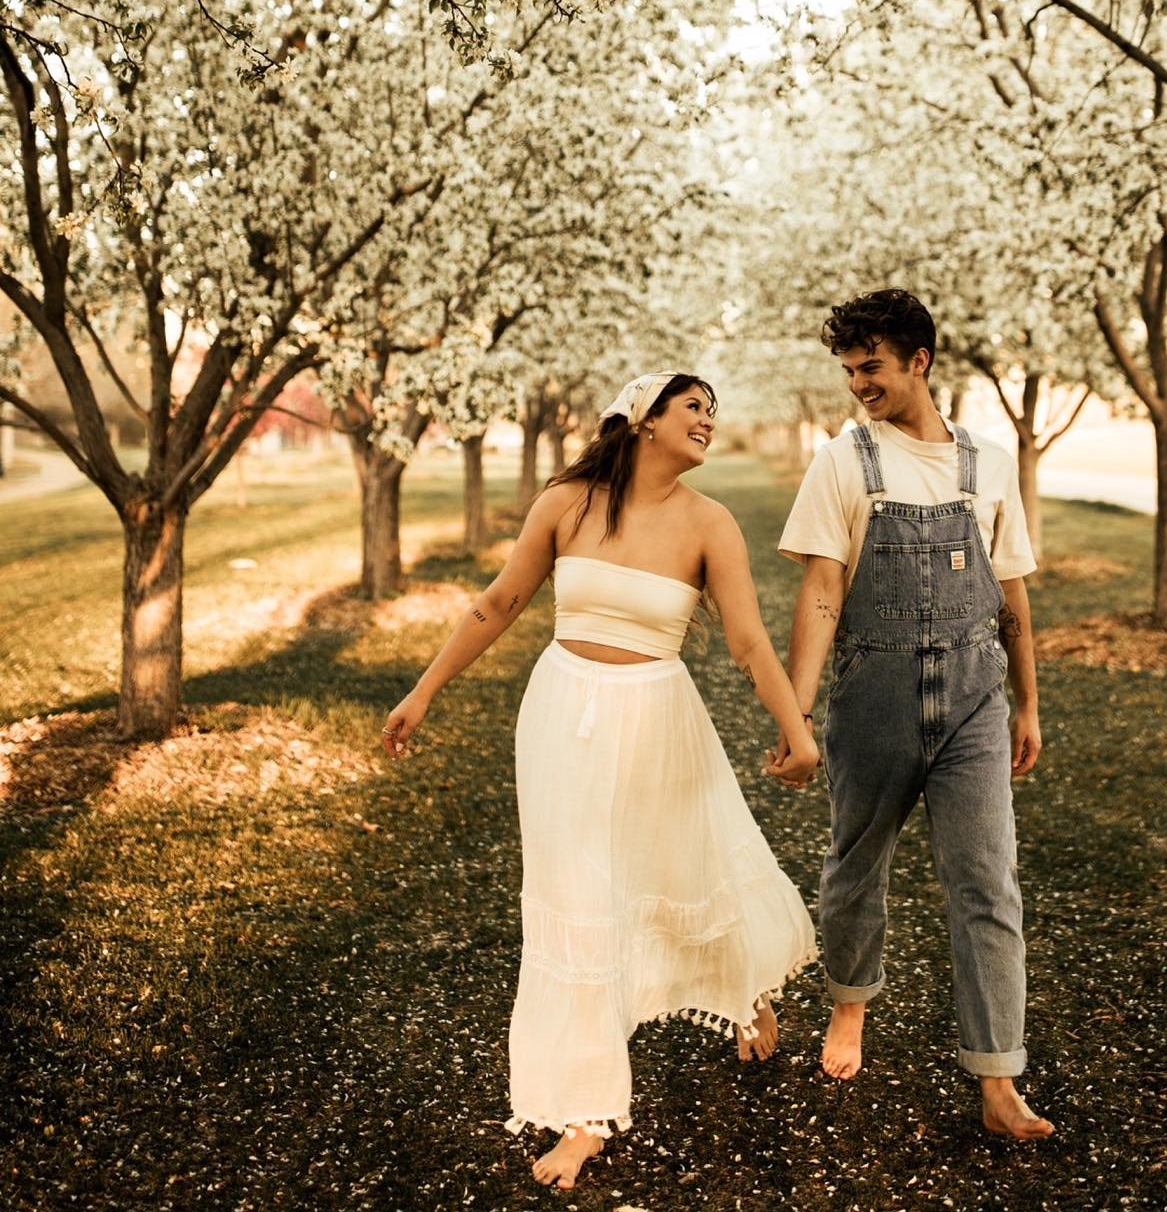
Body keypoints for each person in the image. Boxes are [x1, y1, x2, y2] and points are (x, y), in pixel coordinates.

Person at [381, 372, 820, 1191]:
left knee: (688, 867)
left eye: (712, 412)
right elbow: (500, 602)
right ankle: (587, 1115)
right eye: (693, 407)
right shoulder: (565, 503)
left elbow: (750, 644)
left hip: (657, 719)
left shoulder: (710, 523)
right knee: (578, 900)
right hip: (561, 719)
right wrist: (423, 690)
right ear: (645, 420)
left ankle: (744, 989)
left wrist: (797, 731)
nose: (707, 422)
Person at [775, 291, 1054, 1141]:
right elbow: (822, 590)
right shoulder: (843, 461)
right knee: (855, 868)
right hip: (874, 697)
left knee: (987, 883)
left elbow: (1012, 595)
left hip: (974, 697)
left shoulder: (989, 463)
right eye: (850, 369)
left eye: (873, 367)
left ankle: (999, 1080)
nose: (859, 383)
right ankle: (851, 1004)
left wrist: (1029, 701)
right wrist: (796, 717)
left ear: (919, 361)